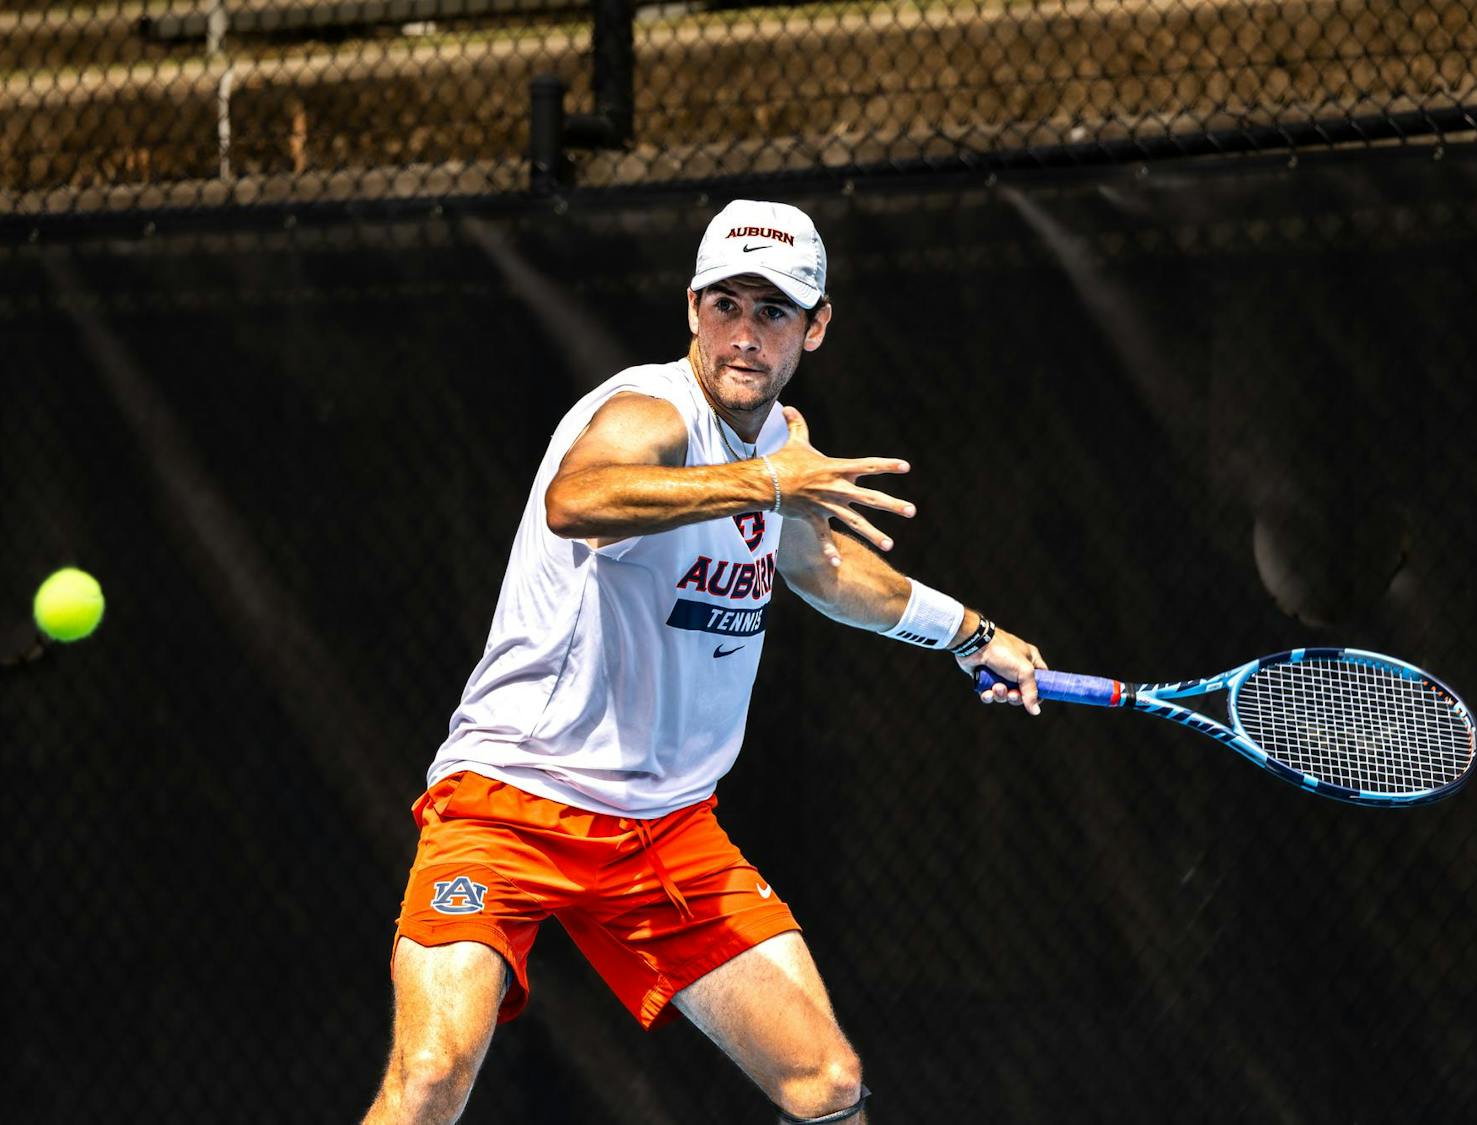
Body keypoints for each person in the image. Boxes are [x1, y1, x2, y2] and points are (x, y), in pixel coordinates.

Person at [363, 199, 1046, 1125]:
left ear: (817, 326)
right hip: (511, 799)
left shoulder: (781, 443)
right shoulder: (647, 410)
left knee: (828, 1085)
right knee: (435, 1071)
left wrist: (970, 632)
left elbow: (825, 567)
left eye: (773, 313)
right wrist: (769, 480)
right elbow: (580, 498)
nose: (745, 336)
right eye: (726, 305)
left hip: (666, 829)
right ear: (692, 307)